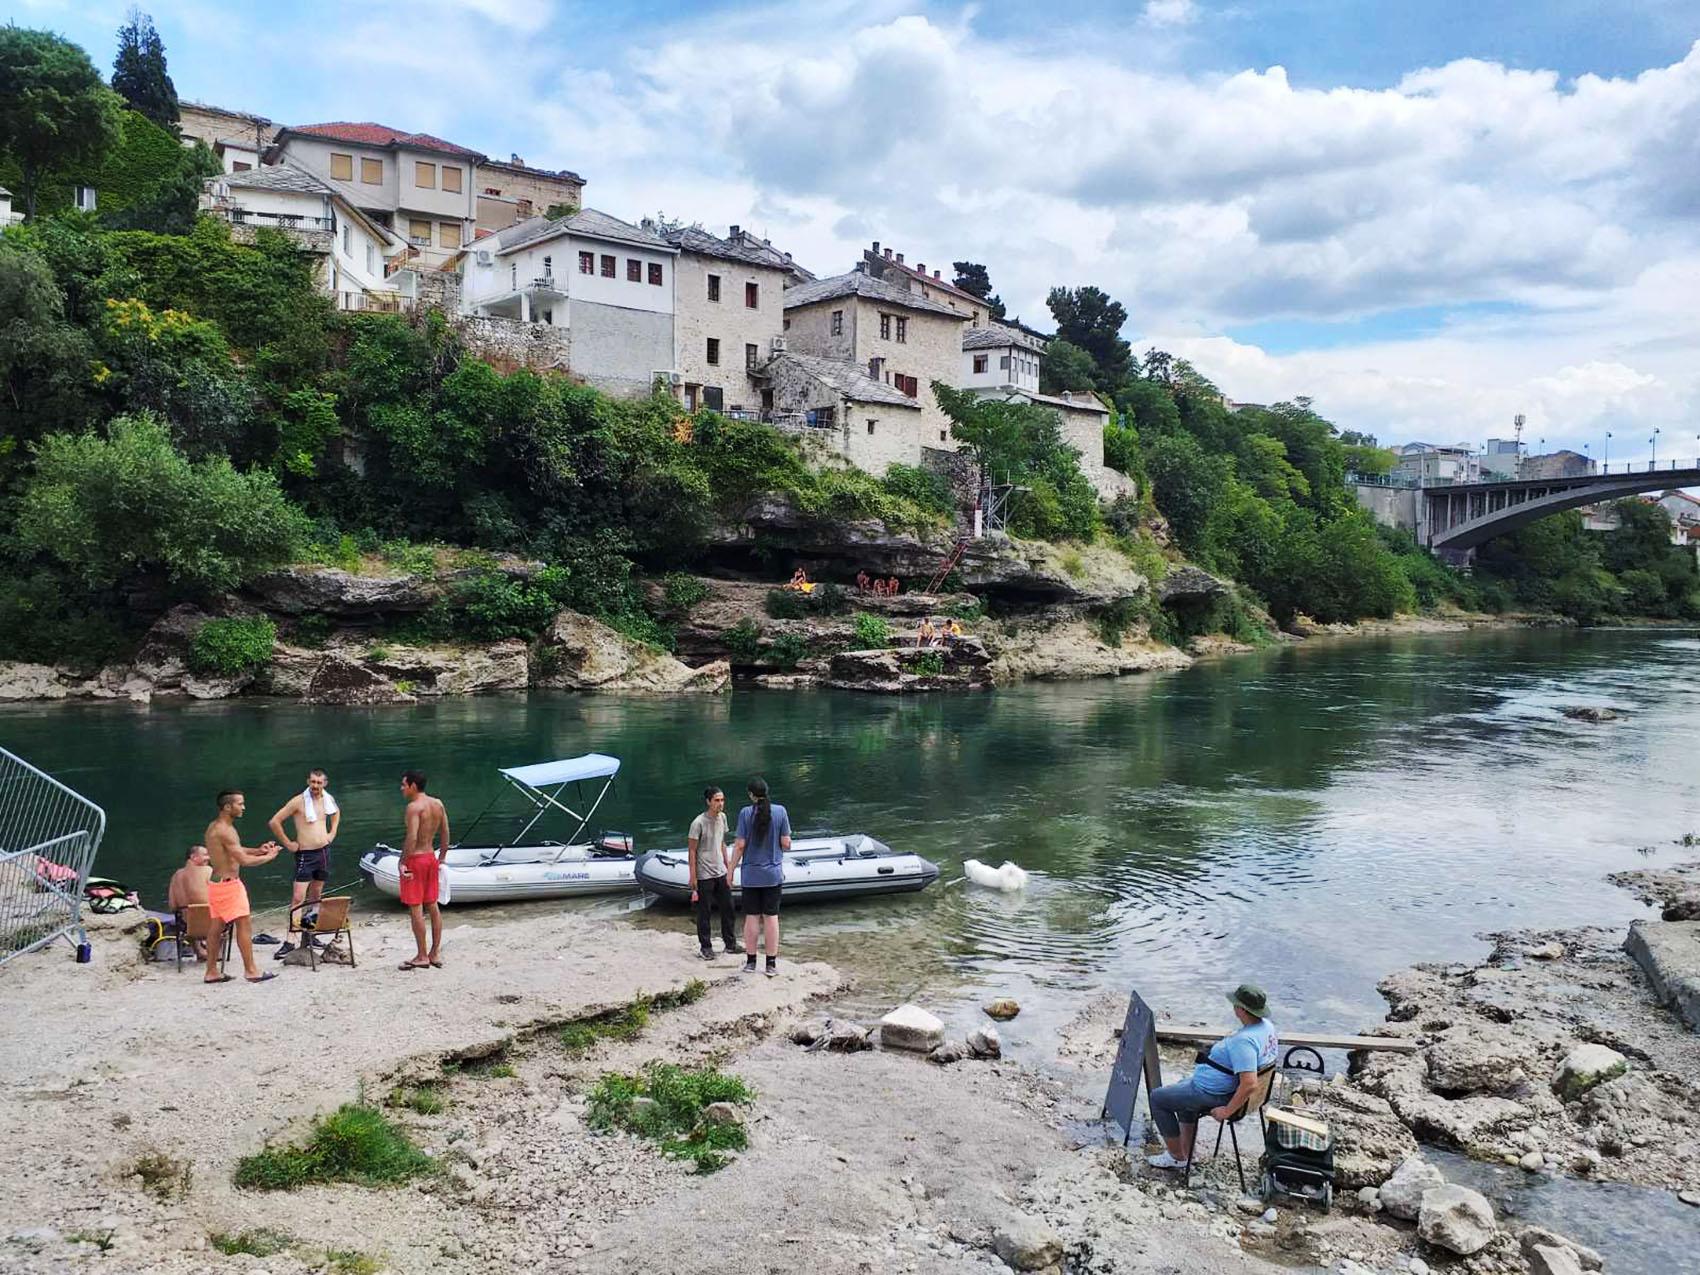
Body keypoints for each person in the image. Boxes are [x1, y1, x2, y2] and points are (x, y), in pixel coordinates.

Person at [1146, 984, 1279, 1172]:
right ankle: (1187, 1151)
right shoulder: (1266, 1027)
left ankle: (1176, 1157)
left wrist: (1226, 1111)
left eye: (1235, 1004)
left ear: (1240, 1009)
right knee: (1181, 1091)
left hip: (1215, 1094)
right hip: (1218, 1088)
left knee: (1158, 1098)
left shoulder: (1244, 1041)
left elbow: (1249, 1083)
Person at [202, 791, 283, 984]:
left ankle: (211, 972)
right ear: (228, 807)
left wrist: (258, 850)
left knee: (216, 928)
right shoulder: (225, 830)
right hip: (229, 886)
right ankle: (251, 971)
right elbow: (244, 860)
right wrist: (268, 857)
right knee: (244, 926)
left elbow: (234, 850)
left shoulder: (217, 827)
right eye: (240, 804)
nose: (244, 807)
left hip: (217, 885)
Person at [267, 768, 340, 956]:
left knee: (316, 894)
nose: (315, 786)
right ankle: (291, 939)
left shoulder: (327, 799)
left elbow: (336, 813)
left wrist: (332, 833)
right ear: (308, 781)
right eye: (313, 782)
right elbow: (275, 821)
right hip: (305, 854)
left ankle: (310, 933)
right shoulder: (298, 801)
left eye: (319, 782)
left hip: (323, 852)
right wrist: (288, 843)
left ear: (325, 783)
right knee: (298, 897)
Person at [727, 776, 790, 977]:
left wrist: (730, 871)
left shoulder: (745, 813)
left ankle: (751, 962)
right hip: (772, 875)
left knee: (752, 917)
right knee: (771, 918)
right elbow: (786, 843)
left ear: (751, 795)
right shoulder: (780, 812)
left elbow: (739, 845)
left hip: (751, 875)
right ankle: (771, 964)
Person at [397, 770, 451, 971]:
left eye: (404, 784)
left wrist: (402, 862)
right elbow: (445, 831)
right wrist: (442, 857)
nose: (401, 788)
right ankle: (435, 952)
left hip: (417, 860)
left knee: (416, 907)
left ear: (412, 786)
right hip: (431, 858)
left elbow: (411, 837)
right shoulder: (437, 803)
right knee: (433, 905)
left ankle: (421, 955)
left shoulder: (413, 808)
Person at [687, 786, 739, 960]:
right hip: (704, 873)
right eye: (717, 800)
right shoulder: (698, 823)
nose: (720, 803)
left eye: (722, 800)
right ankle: (706, 947)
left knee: (729, 908)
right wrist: (693, 876)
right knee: (705, 912)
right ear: (708, 801)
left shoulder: (722, 818)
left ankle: (730, 944)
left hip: (720, 871)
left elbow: (722, 842)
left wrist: (728, 866)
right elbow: (692, 851)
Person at [166, 845, 212, 960]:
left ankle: (199, 951)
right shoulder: (209, 871)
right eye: (205, 855)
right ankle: (217, 951)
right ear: (193, 857)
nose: (209, 858)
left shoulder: (177, 876)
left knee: (184, 915)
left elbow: (172, 905)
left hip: (186, 927)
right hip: (212, 924)